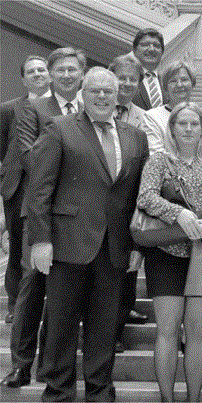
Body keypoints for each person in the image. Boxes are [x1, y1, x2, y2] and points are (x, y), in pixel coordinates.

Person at [27, 67, 149, 402]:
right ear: (83, 93)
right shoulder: (59, 128)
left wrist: (137, 244)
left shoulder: (135, 136)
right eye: (95, 90)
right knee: (61, 326)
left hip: (115, 248)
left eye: (108, 91)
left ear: (118, 96)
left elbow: (139, 195)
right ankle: (59, 393)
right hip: (67, 244)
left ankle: (100, 392)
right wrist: (41, 240)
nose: (102, 96)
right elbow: (40, 189)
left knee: (105, 327)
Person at [2, 48, 86, 390]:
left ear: (82, 74)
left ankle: (50, 366)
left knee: (63, 293)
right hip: (40, 213)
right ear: (51, 74)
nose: (66, 75)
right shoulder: (34, 109)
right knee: (32, 288)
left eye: (72, 69)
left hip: (76, 217)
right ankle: (21, 365)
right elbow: (28, 157)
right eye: (60, 70)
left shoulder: (90, 109)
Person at [136, 102, 202, 402]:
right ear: (172, 129)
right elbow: (145, 197)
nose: (189, 129)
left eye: (195, 124)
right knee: (167, 330)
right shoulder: (159, 161)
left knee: (198, 331)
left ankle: (193, 399)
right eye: (182, 124)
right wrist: (179, 214)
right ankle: (167, 399)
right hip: (166, 254)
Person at [0, 55, 51, 326]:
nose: (38, 74)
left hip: (51, 185)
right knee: (18, 248)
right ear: (23, 79)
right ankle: (15, 305)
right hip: (18, 186)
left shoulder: (60, 107)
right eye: (31, 71)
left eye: (42, 69)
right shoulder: (9, 108)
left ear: (49, 74)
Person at [107, 54, 149, 354]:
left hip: (130, 205)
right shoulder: (94, 109)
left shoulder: (144, 118)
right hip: (97, 206)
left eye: (132, 79)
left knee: (126, 275)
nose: (126, 83)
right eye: (121, 77)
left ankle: (116, 332)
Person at [141, 60, 202, 164]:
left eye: (184, 79)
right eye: (173, 81)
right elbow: (157, 159)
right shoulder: (152, 117)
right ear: (165, 88)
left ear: (192, 83)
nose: (179, 84)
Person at [131, 28, 166, 110]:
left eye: (156, 45)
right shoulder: (126, 80)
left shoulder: (167, 81)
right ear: (135, 50)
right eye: (145, 45)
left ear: (162, 52)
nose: (151, 49)